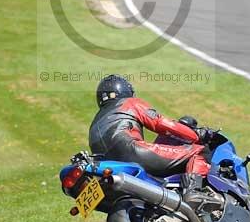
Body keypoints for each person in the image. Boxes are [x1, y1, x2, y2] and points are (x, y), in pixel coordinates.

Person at [89, 74, 222, 204]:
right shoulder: (129, 103)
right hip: (132, 151)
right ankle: (194, 191)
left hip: (109, 163)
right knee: (199, 150)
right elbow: (160, 123)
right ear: (125, 90)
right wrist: (197, 135)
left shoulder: (95, 122)